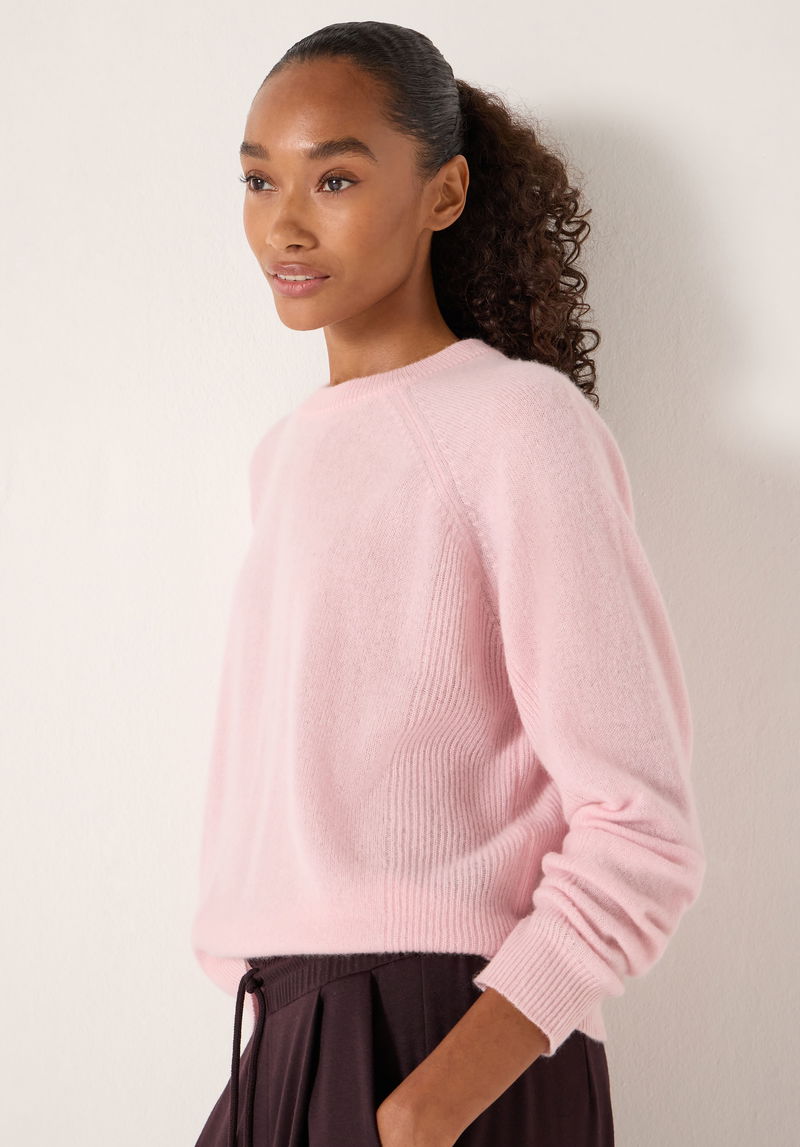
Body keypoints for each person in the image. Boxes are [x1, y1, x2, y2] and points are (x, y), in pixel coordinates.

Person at [191, 19, 706, 1147]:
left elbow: (641, 827)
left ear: (444, 192)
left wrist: (429, 1105)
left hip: (443, 1035)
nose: (284, 223)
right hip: (286, 1036)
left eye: (334, 178)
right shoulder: (284, 456)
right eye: (258, 179)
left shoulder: (516, 424)